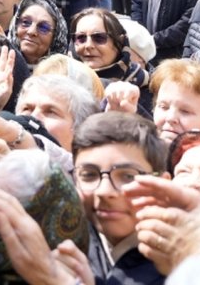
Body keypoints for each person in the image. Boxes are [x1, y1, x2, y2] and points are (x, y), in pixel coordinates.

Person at [71, 111, 169, 283]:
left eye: (128, 176)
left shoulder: (187, 266)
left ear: (162, 184)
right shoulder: (62, 246)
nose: (104, 191)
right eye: (89, 175)